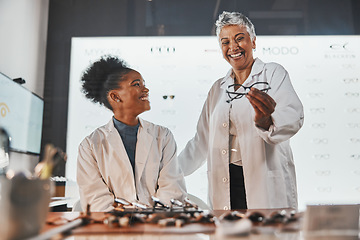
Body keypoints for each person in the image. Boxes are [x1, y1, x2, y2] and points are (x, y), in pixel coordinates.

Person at [179, 11, 304, 210]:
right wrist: (170, 172)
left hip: (263, 182)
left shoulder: (273, 73)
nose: (233, 47)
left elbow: (293, 115)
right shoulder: (217, 89)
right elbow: (201, 142)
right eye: (225, 42)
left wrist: (268, 121)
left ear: (253, 42)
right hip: (227, 182)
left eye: (239, 39)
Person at [77, 56, 186, 212]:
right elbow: (96, 200)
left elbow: (172, 189)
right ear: (115, 96)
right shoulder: (90, 146)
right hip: (113, 230)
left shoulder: (163, 136)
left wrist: (152, 221)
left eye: (144, 84)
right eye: (136, 84)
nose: (146, 90)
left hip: (157, 229)